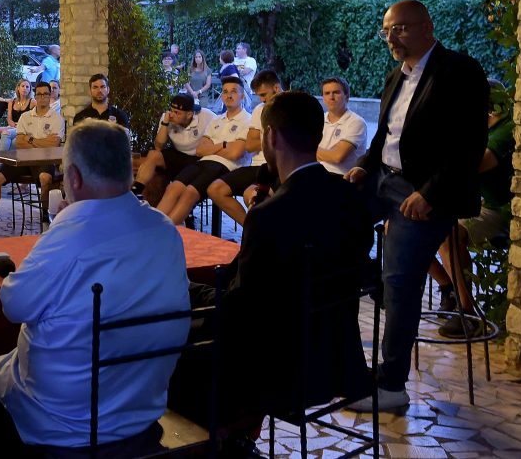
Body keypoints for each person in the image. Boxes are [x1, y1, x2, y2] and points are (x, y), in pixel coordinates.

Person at [0, 120, 190, 457]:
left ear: (75, 177)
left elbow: (13, 304)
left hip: (62, 421)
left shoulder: (71, 235)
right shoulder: (164, 229)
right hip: (140, 410)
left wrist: (64, 225)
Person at [169, 92, 372, 435]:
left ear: (271, 137)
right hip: (337, 359)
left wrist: (189, 291)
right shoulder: (351, 199)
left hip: (279, 370)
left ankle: (224, 445)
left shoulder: (270, 215)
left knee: (168, 355)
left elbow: (240, 309)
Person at [345, 0, 487, 413]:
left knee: (401, 282)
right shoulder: (397, 75)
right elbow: (384, 137)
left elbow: (468, 145)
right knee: (331, 225)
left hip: (426, 191)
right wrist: (363, 166)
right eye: (386, 30)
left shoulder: (459, 70)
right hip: (383, 180)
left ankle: (391, 386)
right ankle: (364, 286)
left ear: (427, 27)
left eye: (400, 29)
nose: (391, 37)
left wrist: (430, 193)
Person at [431, 79, 513, 338]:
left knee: (449, 234)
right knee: (403, 226)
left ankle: (467, 313)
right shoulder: (479, 128)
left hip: (500, 210)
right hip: (475, 203)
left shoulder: (506, 129)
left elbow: (475, 165)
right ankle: (449, 287)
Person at [157, 76, 250, 226]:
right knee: (173, 188)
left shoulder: (248, 120)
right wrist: (224, 144)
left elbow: (235, 154)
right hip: (203, 162)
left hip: (226, 167)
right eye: (225, 92)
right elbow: (200, 150)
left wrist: (212, 147)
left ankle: (165, 231)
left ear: (242, 95)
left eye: (233, 91)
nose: (228, 95)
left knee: (189, 193)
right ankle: (152, 228)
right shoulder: (216, 120)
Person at [0, 80, 64, 236]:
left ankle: (45, 218)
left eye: (46, 94)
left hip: (45, 160)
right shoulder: (25, 116)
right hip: (22, 160)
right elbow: (19, 142)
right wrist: (40, 142)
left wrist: (29, 139)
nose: (42, 97)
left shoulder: (57, 118)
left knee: (45, 178)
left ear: (49, 95)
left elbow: (53, 144)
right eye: (39, 94)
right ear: (35, 96)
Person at [206, 70, 283, 227]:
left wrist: (263, 139)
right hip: (257, 166)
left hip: (280, 168)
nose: (262, 100)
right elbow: (250, 145)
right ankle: (251, 229)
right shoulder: (259, 109)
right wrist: (272, 140)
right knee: (215, 189)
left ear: (276, 88)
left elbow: (289, 144)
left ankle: (259, 234)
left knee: (253, 197)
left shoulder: (291, 107)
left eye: (264, 95)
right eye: (259, 96)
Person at [134, 94, 214, 204]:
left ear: (189, 114)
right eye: (171, 110)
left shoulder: (207, 116)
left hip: (199, 157)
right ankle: (136, 189)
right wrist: (165, 123)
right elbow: (158, 146)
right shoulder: (167, 118)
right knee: (153, 154)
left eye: (177, 113)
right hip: (178, 153)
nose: (172, 115)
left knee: (183, 182)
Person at [316, 77, 368, 176]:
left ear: (347, 96)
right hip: (317, 172)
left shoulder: (356, 122)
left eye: (336, 92)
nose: (331, 97)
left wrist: (311, 150)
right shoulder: (319, 119)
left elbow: (337, 157)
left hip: (341, 177)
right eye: (327, 93)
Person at [0, 79, 34, 150]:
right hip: (13, 126)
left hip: (25, 128)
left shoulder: (33, 102)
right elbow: (9, 119)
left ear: (30, 89)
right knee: (2, 133)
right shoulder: (12, 102)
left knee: (5, 133)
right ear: (18, 88)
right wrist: (14, 125)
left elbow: (37, 118)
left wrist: (20, 126)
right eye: (23, 86)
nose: (25, 88)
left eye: (27, 87)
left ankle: (0, 156)